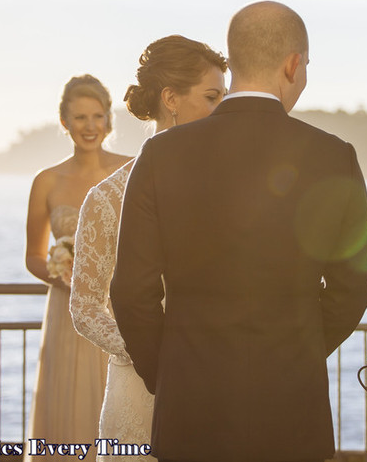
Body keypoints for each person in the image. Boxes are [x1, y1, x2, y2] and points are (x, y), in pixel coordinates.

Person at [109, 1, 367, 462]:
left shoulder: (161, 157)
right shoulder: (334, 156)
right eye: (306, 66)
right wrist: (296, 354)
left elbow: (131, 292)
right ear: (293, 65)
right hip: (292, 413)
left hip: (190, 412)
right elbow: (352, 290)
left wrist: (170, 374)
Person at [69, 36, 228, 462]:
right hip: (139, 391)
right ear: (171, 99)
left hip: (220, 386)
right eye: (212, 97)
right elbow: (84, 308)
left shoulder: (229, 189)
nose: (222, 110)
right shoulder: (107, 198)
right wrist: (153, 351)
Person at [24, 75, 130, 461]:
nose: (90, 126)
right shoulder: (46, 181)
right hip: (66, 316)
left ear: (109, 121)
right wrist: (62, 274)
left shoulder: (132, 171)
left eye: (97, 116)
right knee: (67, 406)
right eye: (80, 117)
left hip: (116, 310)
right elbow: (33, 255)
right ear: (65, 121)